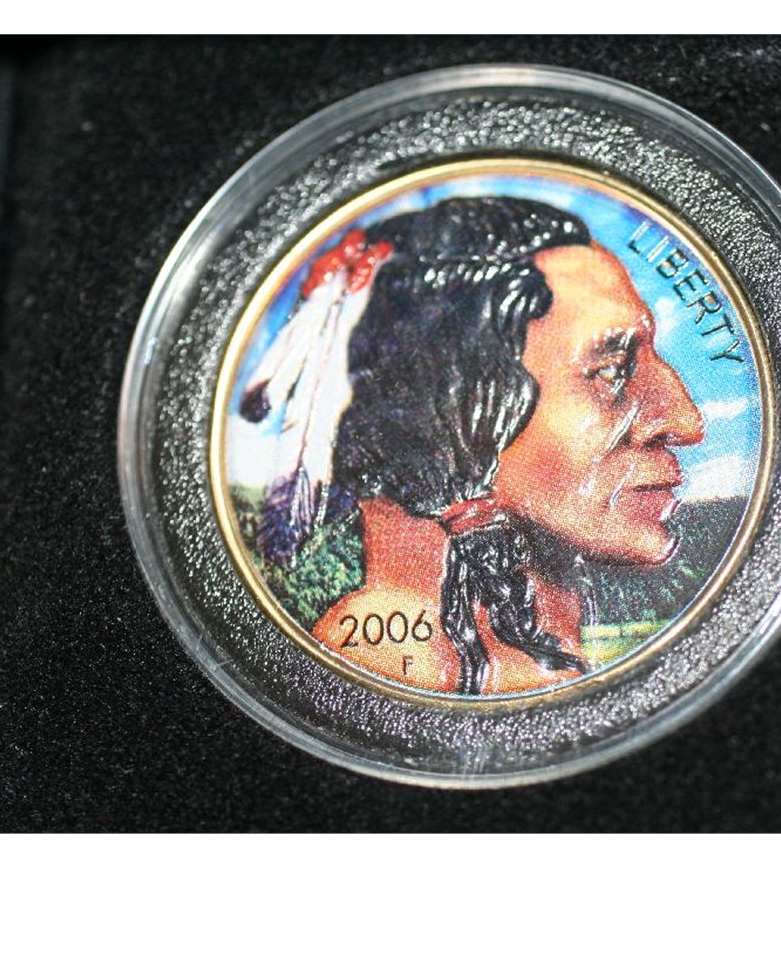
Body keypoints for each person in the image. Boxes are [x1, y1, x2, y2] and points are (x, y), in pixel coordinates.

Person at [243, 196, 704, 695]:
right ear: (444, 412)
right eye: (612, 371)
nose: (686, 422)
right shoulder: (401, 663)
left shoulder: (519, 650)